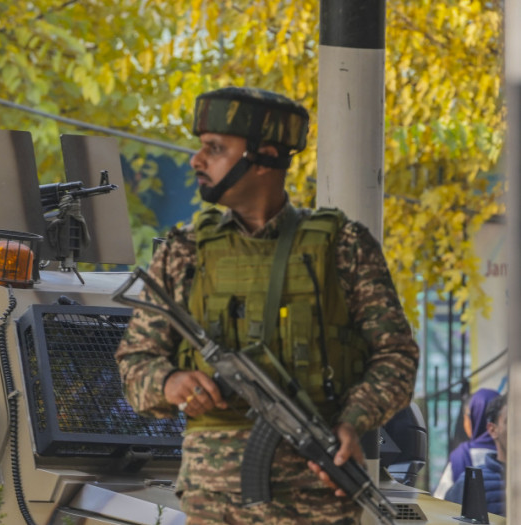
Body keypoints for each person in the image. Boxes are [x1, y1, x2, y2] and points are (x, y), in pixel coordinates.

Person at [115, 86, 419, 523]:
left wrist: (353, 420)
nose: (197, 161)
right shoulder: (185, 251)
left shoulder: (341, 247)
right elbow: (135, 362)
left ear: (265, 156)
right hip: (214, 502)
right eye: (201, 148)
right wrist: (170, 383)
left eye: (215, 149)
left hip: (317, 501)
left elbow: (396, 355)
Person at [445, 393, 507, 516]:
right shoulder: (467, 485)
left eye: (468, 416)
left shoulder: (460, 454)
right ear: (492, 430)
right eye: (514, 421)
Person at [432, 388, 500, 499]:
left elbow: (440, 500)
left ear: (474, 417)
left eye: (467, 416)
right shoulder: (510, 453)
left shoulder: (461, 456)